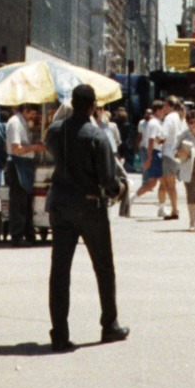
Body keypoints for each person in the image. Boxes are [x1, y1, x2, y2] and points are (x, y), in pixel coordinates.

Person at [45, 83, 128, 350]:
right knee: (104, 268)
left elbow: (52, 151)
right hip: (90, 207)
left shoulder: (55, 131)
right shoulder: (97, 137)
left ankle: (59, 333)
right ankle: (109, 325)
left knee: (60, 271)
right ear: (93, 106)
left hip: (60, 205)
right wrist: (121, 189)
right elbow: (108, 179)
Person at [5, 104, 45, 245]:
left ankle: (28, 233)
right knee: (18, 201)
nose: (32, 117)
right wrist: (34, 147)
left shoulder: (25, 123)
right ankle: (17, 235)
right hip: (17, 164)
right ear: (24, 111)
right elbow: (16, 149)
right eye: (31, 114)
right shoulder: (15, 123)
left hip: (26, 163)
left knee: (26, 201)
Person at [132, 101, 165, 203]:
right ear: (158, 110)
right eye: (163, 110)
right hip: (154, 153)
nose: (164, 113)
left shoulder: (156, 122)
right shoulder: (154, 123)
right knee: (153, 183)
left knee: (161, 182)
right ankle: (131, 198)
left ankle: (161, 206)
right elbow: (151, 140)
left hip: (156, 153)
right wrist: (149, 158)